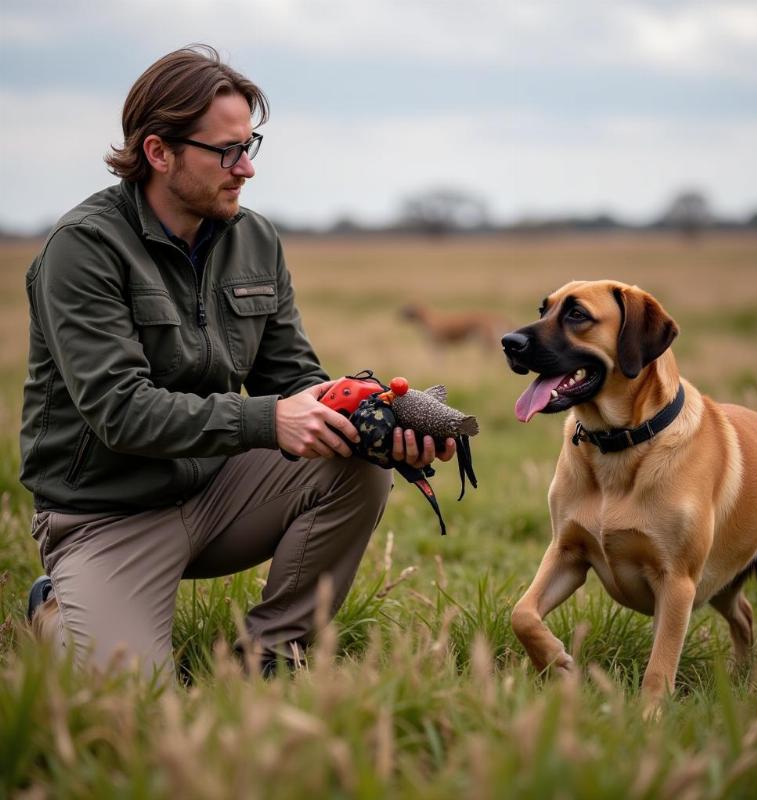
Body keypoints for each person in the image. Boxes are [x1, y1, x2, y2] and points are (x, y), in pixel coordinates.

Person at [20, 44, 454, 680]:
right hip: (107, 514)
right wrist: (265, 421)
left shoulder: (254, 238)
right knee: (128, 697)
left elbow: (294, 381)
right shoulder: (82, 249)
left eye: (250, 145)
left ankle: (270, 656)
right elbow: (120, 413)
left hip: (216, 491)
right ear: (159, 152)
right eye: (226, 151)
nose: (246, 167)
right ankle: (55, 610)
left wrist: (378, 424)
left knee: (355, 462)